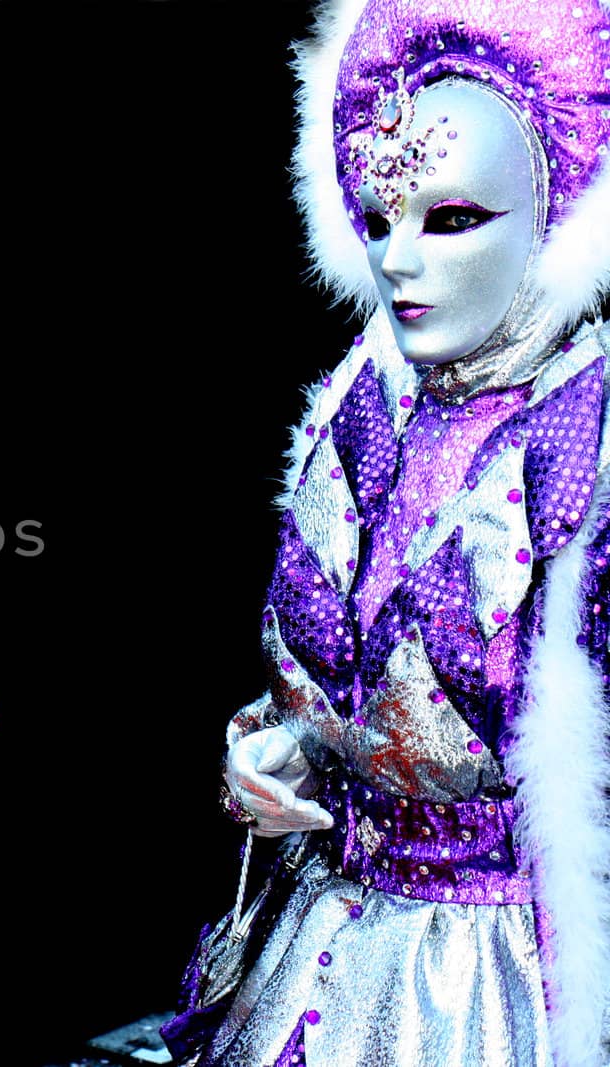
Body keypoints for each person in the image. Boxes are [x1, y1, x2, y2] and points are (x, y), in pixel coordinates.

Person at [165, 1, 610, 1064]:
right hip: (320, 941)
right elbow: (338, 698)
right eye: (376, 220)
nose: (398, 265)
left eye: (450, 217)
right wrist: (282, 756)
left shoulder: (587, 443)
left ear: (555, 213)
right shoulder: (359, 404)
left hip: (511, 988)